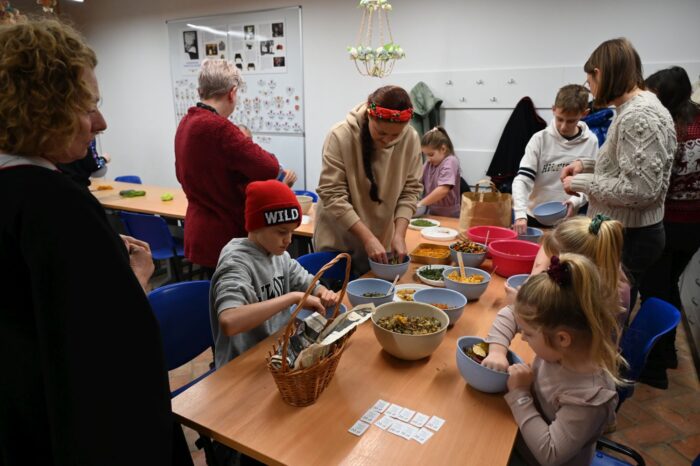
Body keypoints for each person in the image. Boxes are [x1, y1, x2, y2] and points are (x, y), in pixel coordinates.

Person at [0, 19, 191, 465]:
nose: (100, 123)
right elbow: (106, 347)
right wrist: (134, 280)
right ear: (41, 109)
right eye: (87, 108)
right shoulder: (54, 203)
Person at [561, 38, 677, 308]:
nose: (590, 88)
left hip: (630, 236)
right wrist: (585, 165)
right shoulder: (637, 107)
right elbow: (628, 164)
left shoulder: (638, 116)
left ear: (599, 73)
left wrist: (581, 182)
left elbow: (639, 190)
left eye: (589, 81)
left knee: (608, 311)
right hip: (629, 232)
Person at [498, 254, 622, 466]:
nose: (523, 337)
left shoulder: (590, 398)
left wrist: (520, 394)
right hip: (519, 440)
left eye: (528, 334)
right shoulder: (558, 352)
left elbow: (550, 454)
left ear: (562, 338)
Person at [210, 180, 339, 369]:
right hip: (241, 365)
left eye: (291, 232)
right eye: (281, 232)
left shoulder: (279, 256)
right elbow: (230, 321)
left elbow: (306, 281)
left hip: (274, 352)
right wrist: (293, 297)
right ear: (255, 226)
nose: (288, 240)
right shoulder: (235, 262)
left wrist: (321, 291)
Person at [175, 59, 281, 276]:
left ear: (200, 91)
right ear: (232, 93)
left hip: (198, 230)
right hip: (224, 236)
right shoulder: (220, 128)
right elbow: (269, 167)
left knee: (212, 293)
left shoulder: (186, 123)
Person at [486, 214, 629, 369]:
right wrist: (497, 352)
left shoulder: (590, 305)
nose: (551, 269)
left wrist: (524, 306)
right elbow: (512, 314)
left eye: (554, 262)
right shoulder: (580, 287)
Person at [314, 85, 423, 275]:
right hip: (339, 242)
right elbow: (332, 195)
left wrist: (399, 234)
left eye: (395, 135)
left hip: (381, 241)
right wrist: (368, 238)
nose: (388, 140)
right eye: (381, 133)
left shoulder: (411, 138)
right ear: (369, 117)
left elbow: (410, 191)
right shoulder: (340, 136)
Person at [638, 66, 700, 388]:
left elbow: (650, 183)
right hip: (694, 226)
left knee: (653, 292)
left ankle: (654, 368)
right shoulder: (698, 119)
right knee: (669, 285)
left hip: (665, 223)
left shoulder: (666, 126)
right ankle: (669, 353)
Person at [512, 84, 598, 234]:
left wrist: (574, 202)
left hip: (567, 219)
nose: (563, 126)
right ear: (553, 109)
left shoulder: (591, 141)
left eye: (570, 121)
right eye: (559, 119)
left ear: (584, 113)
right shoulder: (539, 139)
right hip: (533, 216)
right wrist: (520, 214)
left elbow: (590, 183)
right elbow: (523, 180)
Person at [416, 126, 461, 218]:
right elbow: (417, 180)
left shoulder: (450, 161)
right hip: (431, 211)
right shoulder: (429, 163)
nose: (428, 159)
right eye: (426, 155)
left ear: (443, 149)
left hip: (449, 215)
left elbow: (443, 189)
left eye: (431, 154)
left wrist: (420, 204)